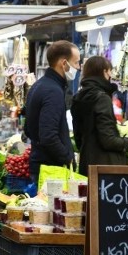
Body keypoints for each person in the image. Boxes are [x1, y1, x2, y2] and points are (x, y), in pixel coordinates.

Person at [71, 56, 128, 176]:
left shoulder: (78, 97)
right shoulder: (102, 98)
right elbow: (108, 140)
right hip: (105, 169)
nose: (111, 75)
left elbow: (78, 139)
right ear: (104, 72)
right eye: (110, 71)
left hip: (86, 163)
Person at [24, 41, 80, 184]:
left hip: (40, 163)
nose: (78, 67)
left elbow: (28, 129)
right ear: (63, 63)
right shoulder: (53, 91)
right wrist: (67, 157)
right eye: (76, 63)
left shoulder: (39, 85)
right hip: (51, 170)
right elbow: (48, 135)